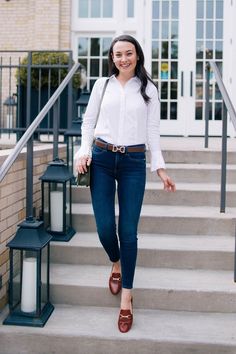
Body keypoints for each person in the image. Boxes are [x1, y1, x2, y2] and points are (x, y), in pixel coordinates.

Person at [75, 34, 176, 333]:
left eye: (128, 53)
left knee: (128, 232)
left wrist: (160, 168)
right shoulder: (101, 86)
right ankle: (115, 261)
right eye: (117, 54)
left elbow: (153, 131)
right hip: (102, 159)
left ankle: (127, 299)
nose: (123, 59)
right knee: (105, 227)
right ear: (112, 58)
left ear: (137, 56)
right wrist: (83, 151)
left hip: (133, 163)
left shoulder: (149, 90)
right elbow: (88, 122)